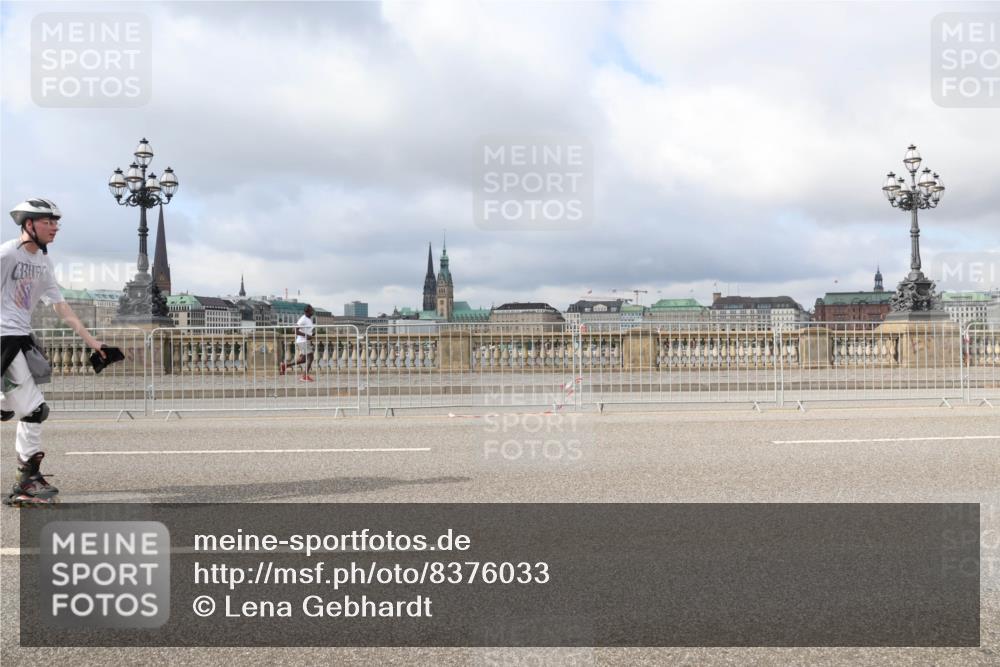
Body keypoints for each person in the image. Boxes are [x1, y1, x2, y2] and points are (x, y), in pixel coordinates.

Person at [2, 198, 106, 506]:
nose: (55, 227)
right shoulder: (7, 254)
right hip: (2, 336)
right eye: (48, 221)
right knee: (34, 409)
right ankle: (26, 480)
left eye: (56, 222)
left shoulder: (43, 261)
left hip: (22, 337)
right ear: (28, 224)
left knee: (15, 406)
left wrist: (93, 342)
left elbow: (61, 306)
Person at [280, 304, 315, 382]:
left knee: (303, 359)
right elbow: (294, 330)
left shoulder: (309, 319)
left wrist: (311, 334)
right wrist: (306, 336)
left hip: (304, 341)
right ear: (307, 311)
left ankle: (285, 366)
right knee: (311, 357)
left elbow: (306, 330)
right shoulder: (303, 319)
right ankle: (304, 376)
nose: (313, 311)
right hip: (303, 341)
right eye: (311, 310)